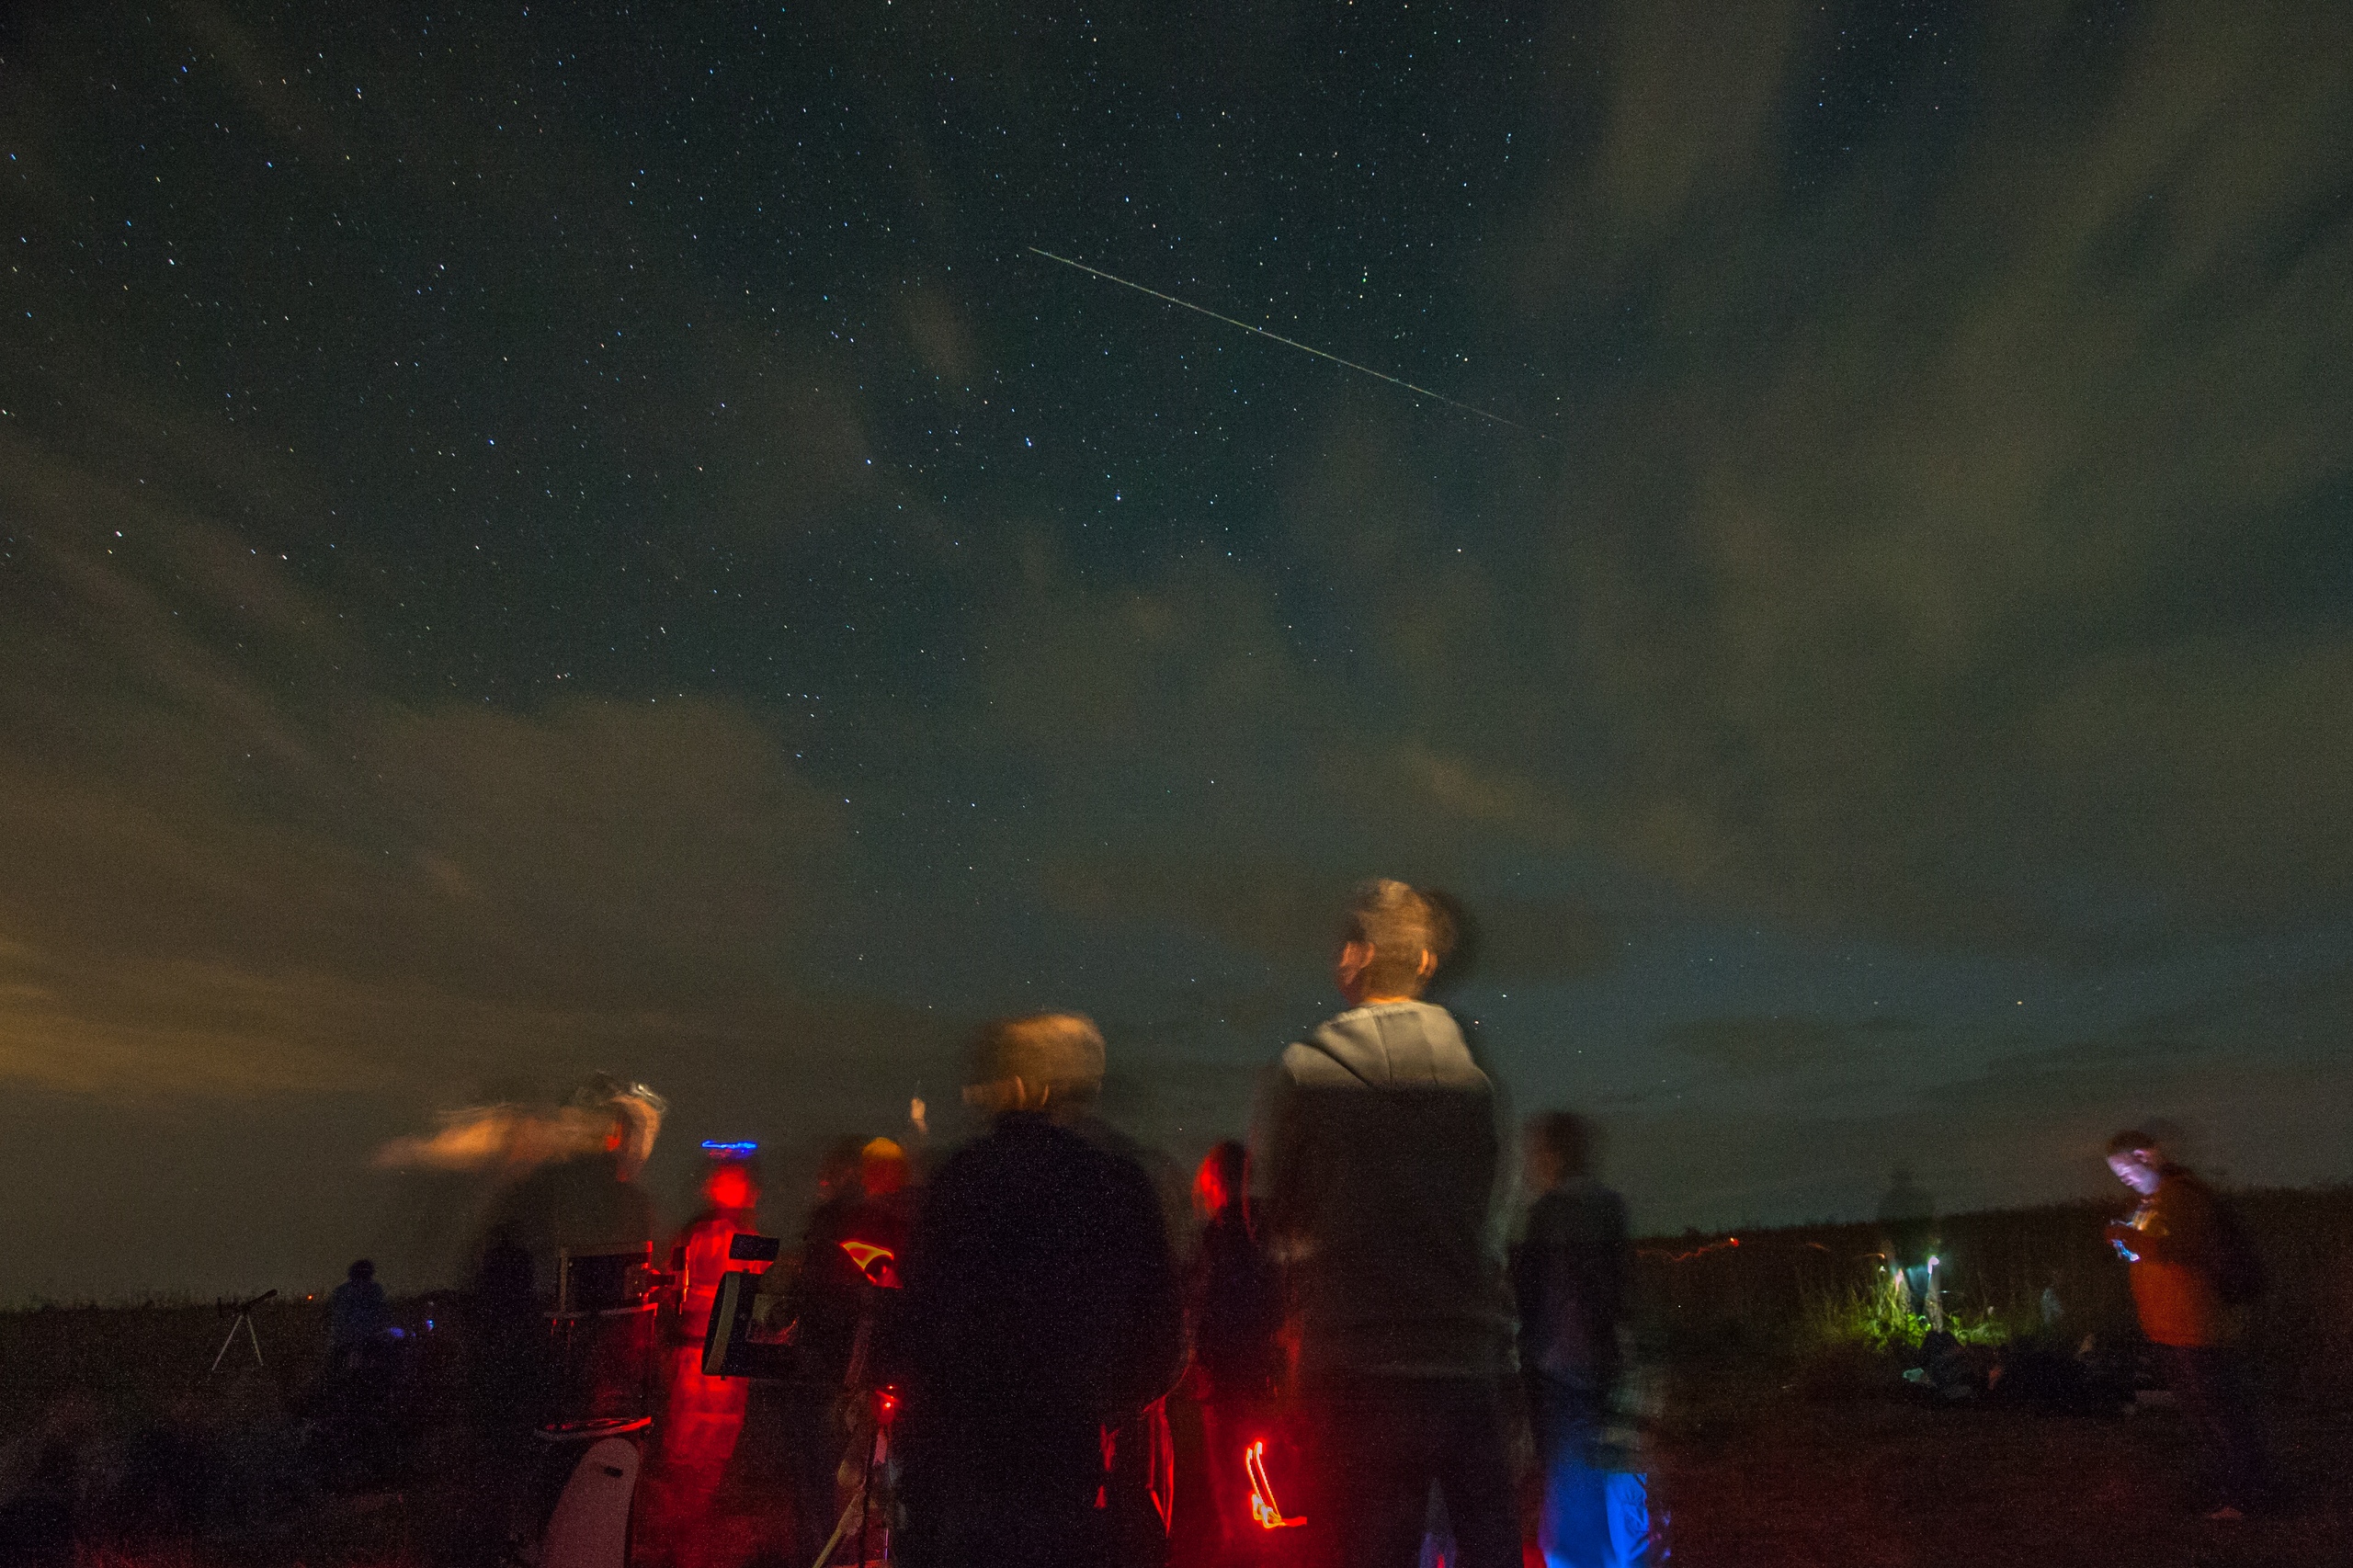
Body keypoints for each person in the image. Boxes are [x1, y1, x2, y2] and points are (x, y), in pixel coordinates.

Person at [1260, 880, 1518, 1568]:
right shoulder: (1473, 1079)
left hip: (1356, 1362)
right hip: (1463, 1359)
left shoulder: (1307, 1073)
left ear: (1360, 955)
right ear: (1425, 963)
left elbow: (1283, 1220)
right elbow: (1490, 1209)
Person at [893, 1013, 1185, 1568]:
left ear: (1024, 1086)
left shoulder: (959, 1178)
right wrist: (1106, 1408)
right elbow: (1160, 1334)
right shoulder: (1118, 1184)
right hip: (1065, 1445)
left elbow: (914, 1316)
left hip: (962, 1446)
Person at [2104, 1130, 2268, 1518]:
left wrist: (2130, 1238)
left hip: (2195, 1324)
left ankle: (2248, 1497)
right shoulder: (2151, 1202)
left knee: (2220, 1414)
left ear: (2146, 1156)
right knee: (2204, 1416)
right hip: (2168, 1325)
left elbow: (2184, 1248)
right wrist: (2124, 1243)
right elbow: (2148, 1253)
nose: (2123, 1178)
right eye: (2117, 1173)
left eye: (2126, 1169)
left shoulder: (2182, 1196)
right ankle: (2229, 1490)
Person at [1514, 1113, 1653, 1568]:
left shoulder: (1548, 1214)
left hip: (1565, 1376)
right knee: (1620, 1505)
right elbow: (1622, 1294)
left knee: (1574, 1522)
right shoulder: (1610, 1208)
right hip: (1610, 1374)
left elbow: (1535, 1304)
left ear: (1552, 1156)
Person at [642, 1151, 767, 1562]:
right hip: (701, 1357)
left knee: (707, 1448)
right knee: (688, 1447)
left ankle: (684, 1533)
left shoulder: (721, 1234)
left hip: (712, 1359)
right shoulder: (705, 1234)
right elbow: (673, 1292)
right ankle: (676, 1535)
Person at [1184, 1140, 1287, 1565]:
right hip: (1263, 1376)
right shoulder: (1267, 1233)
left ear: (1213, 1182)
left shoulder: (1219, 1238)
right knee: (1262, 1474)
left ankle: (1243, 1554)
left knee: (1232, 1483)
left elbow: (1208, 1307)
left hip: (1226, 1380)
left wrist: (1200, 1360)